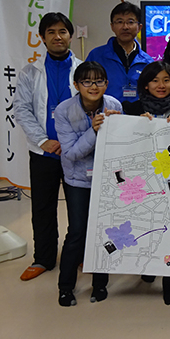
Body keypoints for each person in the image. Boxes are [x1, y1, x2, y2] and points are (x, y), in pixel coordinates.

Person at [15, 12, 83, 281]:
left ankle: (79, 255)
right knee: (43, 207)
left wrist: (75, 142)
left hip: (76, 153)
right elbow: (22, 109)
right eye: (51, 32)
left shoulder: (83, 70)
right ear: (42, 37)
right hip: (43, 152)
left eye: (63, 31)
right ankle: (43, 258)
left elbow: (91, 105)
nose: (57, 36)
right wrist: (43, 140)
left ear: (70, 35)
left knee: (79, 208)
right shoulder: (30, 72)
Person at [54, 61, 122, 306]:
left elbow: (119, 144)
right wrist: (94, 131)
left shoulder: (114, 105)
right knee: (77, 232)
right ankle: (65, 287)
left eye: (99, 81)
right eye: (87, 82)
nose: (94, 87)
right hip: (78, 180)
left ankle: (100, 283)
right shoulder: (64, 110)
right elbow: (71, 153)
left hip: (105, 179)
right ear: (76, 85)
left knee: (103, 231)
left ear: (106, 83)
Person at [122, 61, 170, 305]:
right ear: (145, 84)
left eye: (166, 80)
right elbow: (122, 140)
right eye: (155, 80)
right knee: (147, 223)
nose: (161, 85)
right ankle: (149, 264)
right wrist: (134, 125)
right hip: (144, 181)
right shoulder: (132, 108)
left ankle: (169, 279)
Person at [86, 1, 153, 103]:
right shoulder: (96, 56)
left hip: (138, 113)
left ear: (139, 27)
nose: (125, 27)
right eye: (120, 22)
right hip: (105, 112)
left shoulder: (148, 62)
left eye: (130, 22)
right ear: (112, 26)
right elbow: (85, 88)